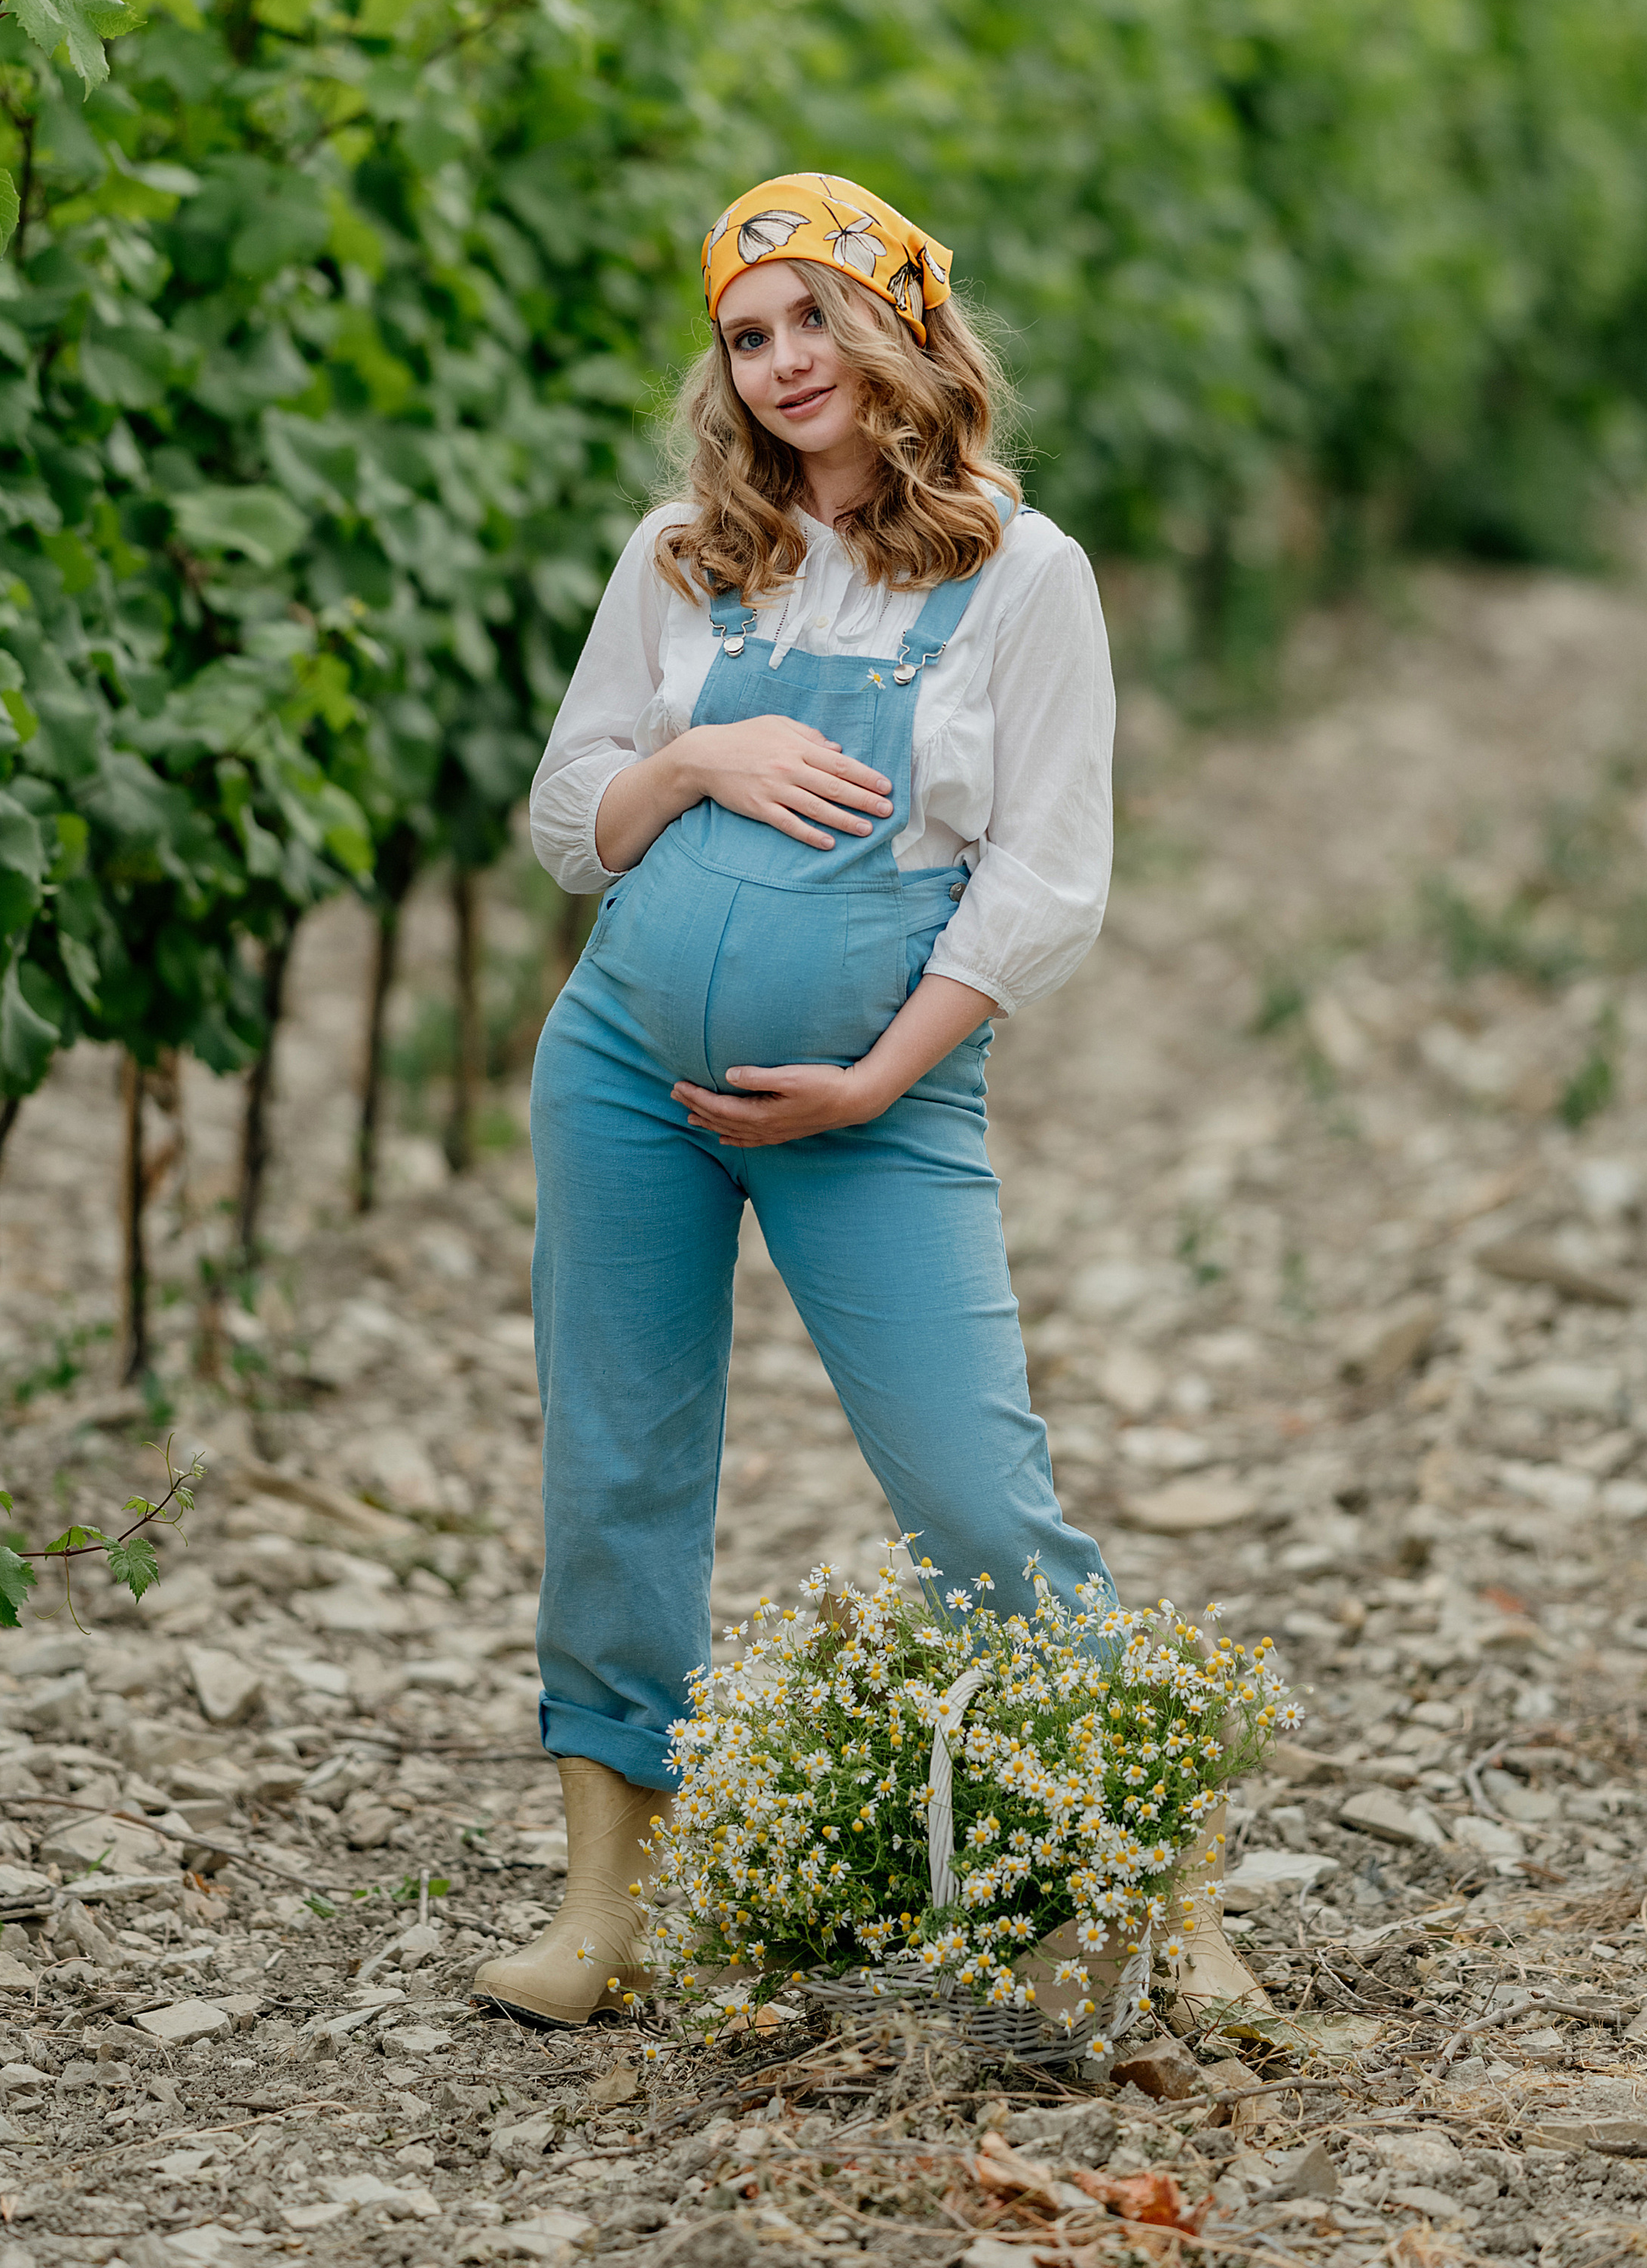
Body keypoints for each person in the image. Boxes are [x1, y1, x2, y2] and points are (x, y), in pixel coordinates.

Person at [474, 173, 1118, 2032]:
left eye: (810, 319)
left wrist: (871, 1079)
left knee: (972, 1490)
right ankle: (612, 1898)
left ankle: (1134, 1869)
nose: (776, 366)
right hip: (619, 1076)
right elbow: (561, 823)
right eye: (744, 337)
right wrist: (691, 756)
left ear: (898, 325)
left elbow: (1047, 881)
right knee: (617, 1470)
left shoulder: (1019, 569)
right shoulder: (683, 552)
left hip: (873, 1103)